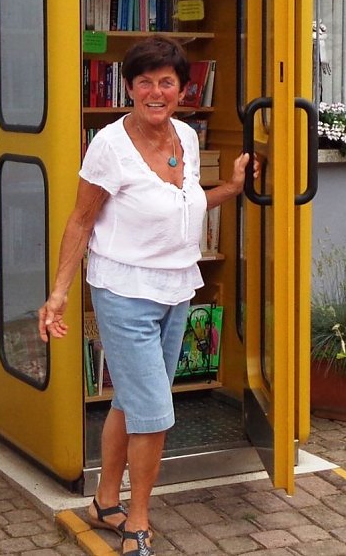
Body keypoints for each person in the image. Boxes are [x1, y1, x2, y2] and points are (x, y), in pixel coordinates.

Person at [38, 35, 259, 556]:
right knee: (156, 412)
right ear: (129, 88)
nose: (155, 91)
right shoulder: (109, 146)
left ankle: (104, 501)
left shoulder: (185, 134)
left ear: (183, 90)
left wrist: (231, 188)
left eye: (167, 82)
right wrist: (58, 294)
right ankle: (137, 519)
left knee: (132, 403)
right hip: (124, 290)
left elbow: (185, 205)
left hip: (176, 288)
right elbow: (80, 219)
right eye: (145, 82)